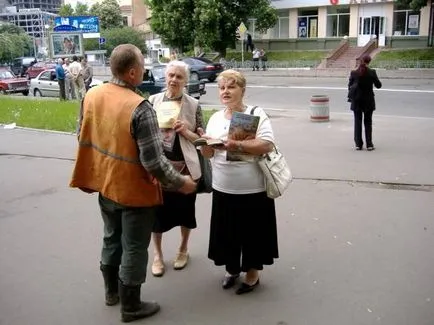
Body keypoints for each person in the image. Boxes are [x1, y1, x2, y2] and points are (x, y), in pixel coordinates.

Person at [69, 44, 197, 322]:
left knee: (111, 238)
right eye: (142, 66)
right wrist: (181, 183)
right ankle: (131, 306)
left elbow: (81, 134)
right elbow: (154, 163)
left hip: (104, 184)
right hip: (134, 192)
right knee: (135, 247)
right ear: (131, 72)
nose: (145, 70)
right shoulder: (140, 108)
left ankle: (111, 293)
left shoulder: (92, 94)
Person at [200, 69, 279, 295]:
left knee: (253, 233)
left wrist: (236, 145)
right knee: (227, 232)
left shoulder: (256, 113)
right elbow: (208, 155)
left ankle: (252, 273)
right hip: (223, 187)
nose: (225, 91)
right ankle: (232, 269)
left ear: (242, 90)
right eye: (222, 87)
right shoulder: (215, 118)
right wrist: (205, 144)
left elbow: (267, 144)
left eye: (231, 86)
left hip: (252, 188)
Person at [148, 60, 204, 277]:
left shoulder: (194, 105)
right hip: (160, 167)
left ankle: (183, 249)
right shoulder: (153, 100)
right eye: (171, 75)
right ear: (166, 76)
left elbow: (202, 140)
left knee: (185, 213)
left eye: (179, 77)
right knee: (157, 215)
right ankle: (158, 255)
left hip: (186, 168)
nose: (173, 80)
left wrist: (187, 131)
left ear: (186, 81)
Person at [348, 54, 382, 151]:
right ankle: (369, 145)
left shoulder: (354, 73)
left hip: (357, 101)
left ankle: (358, 144)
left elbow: (349, 86)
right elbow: (379, 85)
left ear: (361, 61)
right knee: (368, 122)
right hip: (368, 101)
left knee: (357, 122)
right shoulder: (372, 72)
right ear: (369, 62)